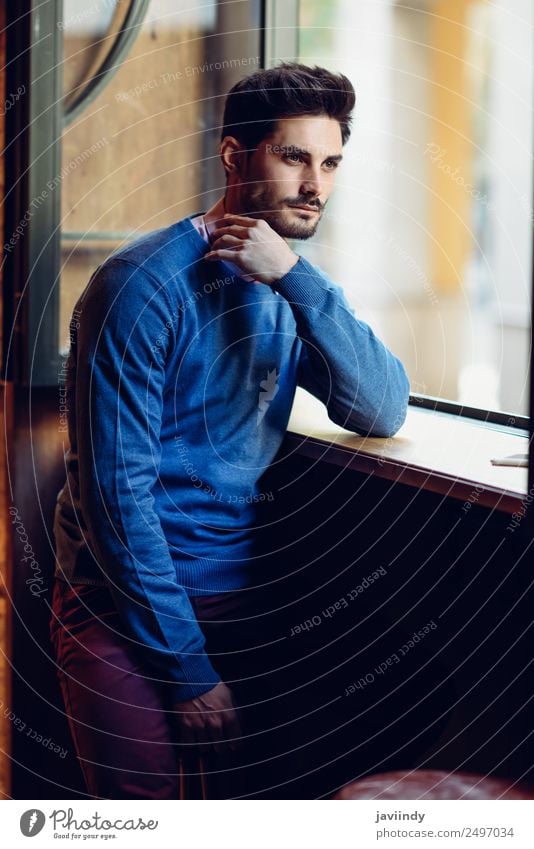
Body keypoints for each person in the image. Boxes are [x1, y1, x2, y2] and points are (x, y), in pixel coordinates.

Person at [49, 62, 413, 799]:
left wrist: (296, 279)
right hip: (123, 601)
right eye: (294, 157)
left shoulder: (282, 280)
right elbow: (118, 501)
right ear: (234, 155)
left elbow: (381, 407)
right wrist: (189, 673)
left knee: (404, 679)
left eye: (331, 161)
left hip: (242, 594)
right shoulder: (140, 286)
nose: (316, 185)